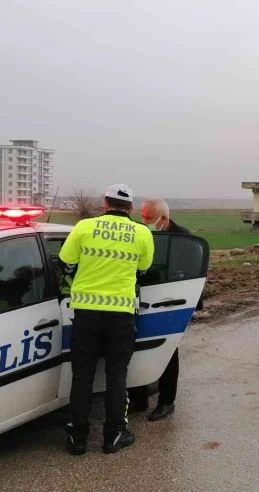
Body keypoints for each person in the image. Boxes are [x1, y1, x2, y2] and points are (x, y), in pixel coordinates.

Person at [59, 184, 155, 455]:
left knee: (82, 376)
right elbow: (144, 269)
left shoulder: (84, 227)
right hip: (120, 315)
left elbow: (66, 261)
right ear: (131, 208)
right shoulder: (142, 232)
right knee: (116, 376)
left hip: (86, 315)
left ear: (105, 203)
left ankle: (77, 438)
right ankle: (114, 436)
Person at [127, 198, 193, 421]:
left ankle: (166, 401)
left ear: (163, 219)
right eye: (142, 217)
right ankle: (139, 396)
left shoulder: (183, 239)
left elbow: (187, 274)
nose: (143, 222)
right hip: (139, 301)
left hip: (170, 303)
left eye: (148, 218)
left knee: (167, 351)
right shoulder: (139, 235)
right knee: (137, 348)